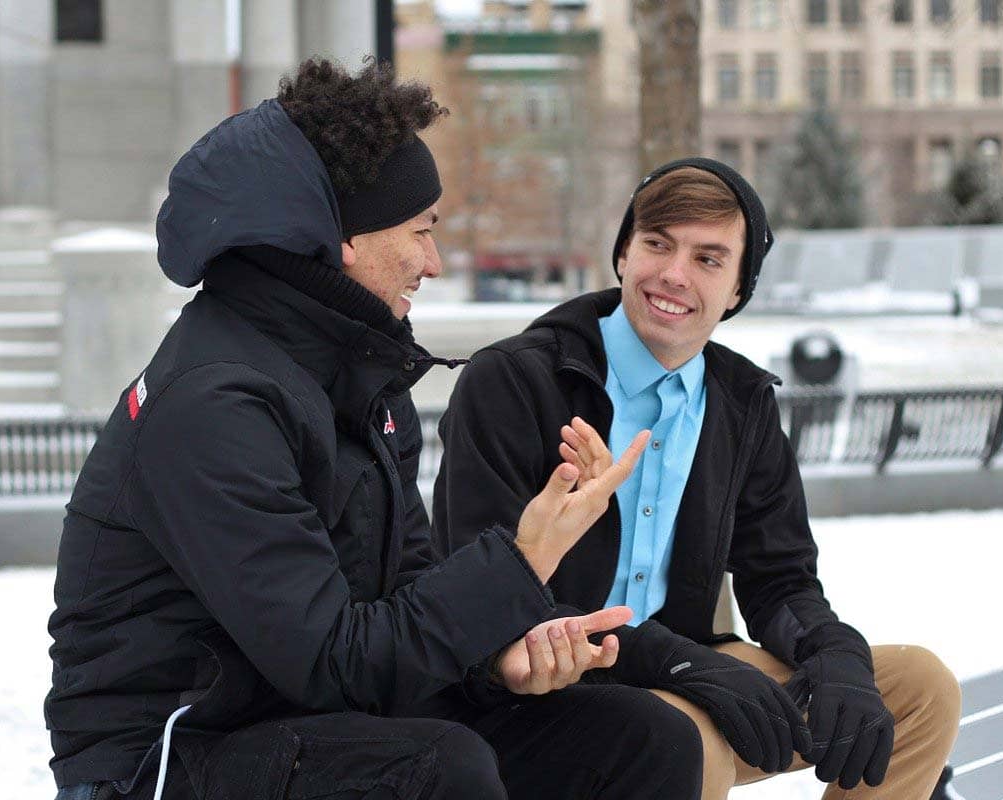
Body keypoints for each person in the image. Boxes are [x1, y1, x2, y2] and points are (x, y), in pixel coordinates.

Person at [45, 59, 706, 800]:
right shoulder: (215, 406)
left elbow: (404, 593)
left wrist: (500, 656)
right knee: (437, 770)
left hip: (314, 718)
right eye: (420, 231)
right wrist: (524, 559)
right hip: (171, 756)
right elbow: (332, 658)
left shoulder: (357, 378)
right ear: (344, 239)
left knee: (641, 740)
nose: (433, 261)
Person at [433, 158, 963, 799]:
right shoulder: (516, 381)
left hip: (690, 668)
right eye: (658, 244)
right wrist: (682, 662)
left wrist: (835, 653)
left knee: (919, 688)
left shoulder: (739, 403)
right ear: (624, 253)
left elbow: (780, 577)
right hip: (547, 680)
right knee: (686, 738)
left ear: (739, 288)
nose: (675, 275)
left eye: (709, 259)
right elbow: (479, 591)